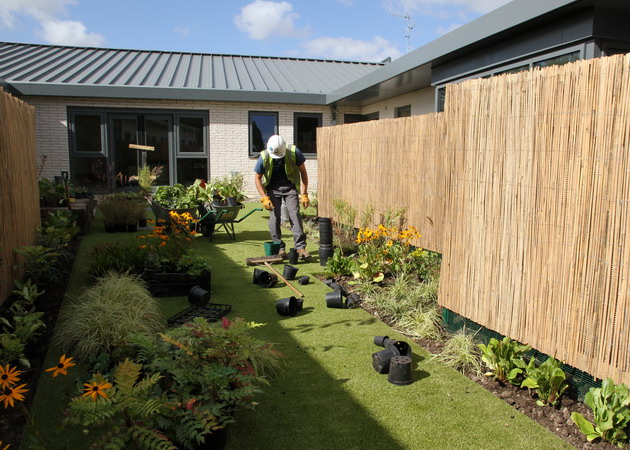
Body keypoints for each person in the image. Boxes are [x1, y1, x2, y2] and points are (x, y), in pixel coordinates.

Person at [254, 135, 311, 259]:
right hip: (273, 189)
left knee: (294, 215)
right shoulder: (264, 156)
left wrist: (304, 194)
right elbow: (257, 177)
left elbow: (303, 172)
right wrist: (264, 197)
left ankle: (300, 247)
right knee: (274, 218)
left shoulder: (294, 152)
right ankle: (279, 247)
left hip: (290, 187)